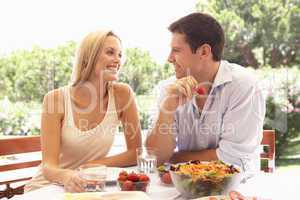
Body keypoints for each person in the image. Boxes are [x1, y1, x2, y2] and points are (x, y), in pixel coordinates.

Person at [146, 12, 265, 173]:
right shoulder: (169, 89)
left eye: (176, 50)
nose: (169, 58)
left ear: (204, 52)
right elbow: (156, 157)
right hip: (183, 188)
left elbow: (231, 159)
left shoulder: (243, 86)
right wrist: (167, 109)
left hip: (235, 190)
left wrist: (173, 158)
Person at [25, 30, 142, 192]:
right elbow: (48, 167)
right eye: (110, 52)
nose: (117, 60)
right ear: (88, 57)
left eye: (120, 55)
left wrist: (95, 164)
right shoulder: (55, 99)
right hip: (49, 187)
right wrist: (67, 176)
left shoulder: (123, 95)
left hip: (90, 186)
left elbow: (136, 152)